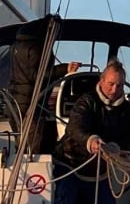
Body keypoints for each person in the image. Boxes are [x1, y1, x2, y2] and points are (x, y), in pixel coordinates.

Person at [50, 58, 130, 204]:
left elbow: (129, 141)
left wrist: (115, 147)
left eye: (119, 85)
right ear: (101, 80)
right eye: (110, 84)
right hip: (70, 163)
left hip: (97, 173)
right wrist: (92, 141)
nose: (114, 89)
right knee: (64, 201)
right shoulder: (85, 101)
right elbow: (75, 130)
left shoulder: (126, 110)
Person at [7, 15, 78, 154]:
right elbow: (37, 76)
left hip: (15, 101)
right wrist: (65, 69)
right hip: (31, 105)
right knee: (32, 150)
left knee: (21, 147)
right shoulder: (35, 47)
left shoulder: (18, 44)